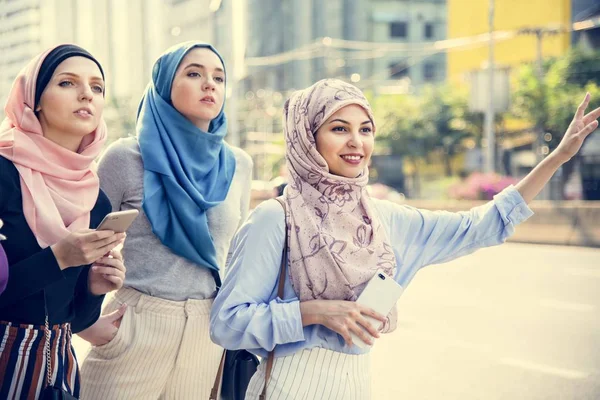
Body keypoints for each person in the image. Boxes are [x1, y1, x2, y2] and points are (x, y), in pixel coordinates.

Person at [210, 79, 600, 400]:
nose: (356, 142)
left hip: (356, 385)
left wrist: (557, 159)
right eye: (338, 128)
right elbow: (227, 323)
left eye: (365, 130)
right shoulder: (276, 218)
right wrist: (316, 311)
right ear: (307, 138)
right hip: (286, 386)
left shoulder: (384, 220)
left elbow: (480, 225)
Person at [79, 41, 253, 399]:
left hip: (206, 331)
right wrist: (85, 322)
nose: (210, 85)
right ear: (163, 85)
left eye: (218, 77)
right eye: (194, 74)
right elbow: (78, 244)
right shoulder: (126, 157)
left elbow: (235, 255)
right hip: (136, 323)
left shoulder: (239, 165)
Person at [0, 44, 126, 399]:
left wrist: (94, 288)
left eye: (97, 87)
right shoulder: (3, 174)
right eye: (67, 83)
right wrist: (57, 259)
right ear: (34, 97)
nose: (87, 94)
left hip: (56, 374)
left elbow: (74, 319)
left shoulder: (93, 196)